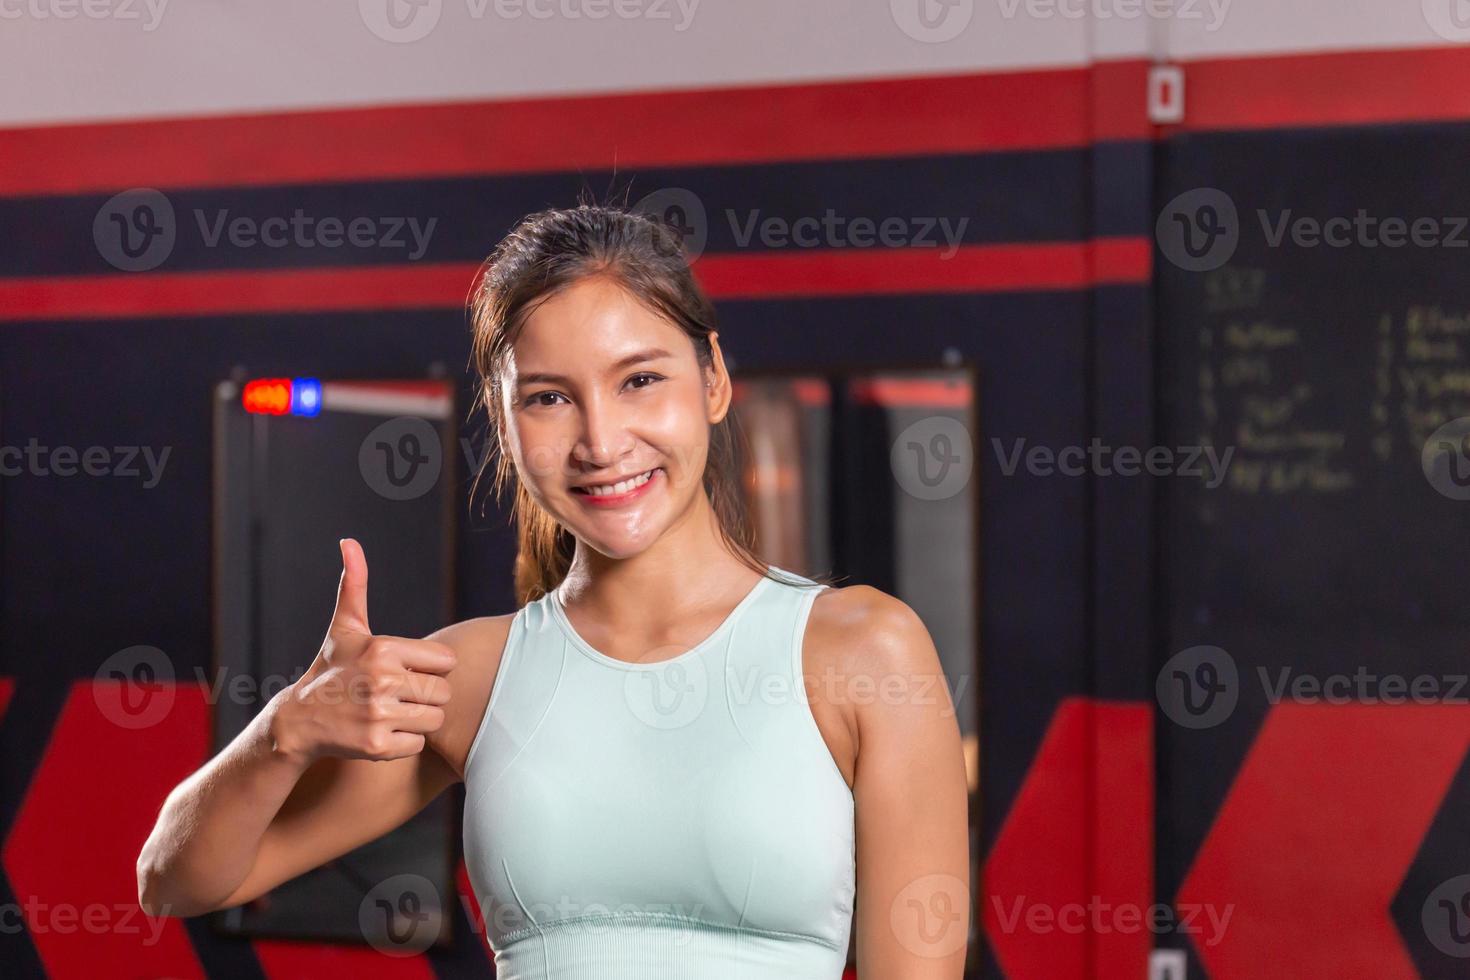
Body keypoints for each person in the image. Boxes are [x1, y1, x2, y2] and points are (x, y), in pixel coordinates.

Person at [137, 203, 971, 979]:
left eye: (640, 380)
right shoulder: (471, 674)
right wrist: (285, 731)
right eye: (548, 398)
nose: (603, 442)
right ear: (503, 423)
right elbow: (176, 880)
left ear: (712, 378)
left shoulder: (864, 650)